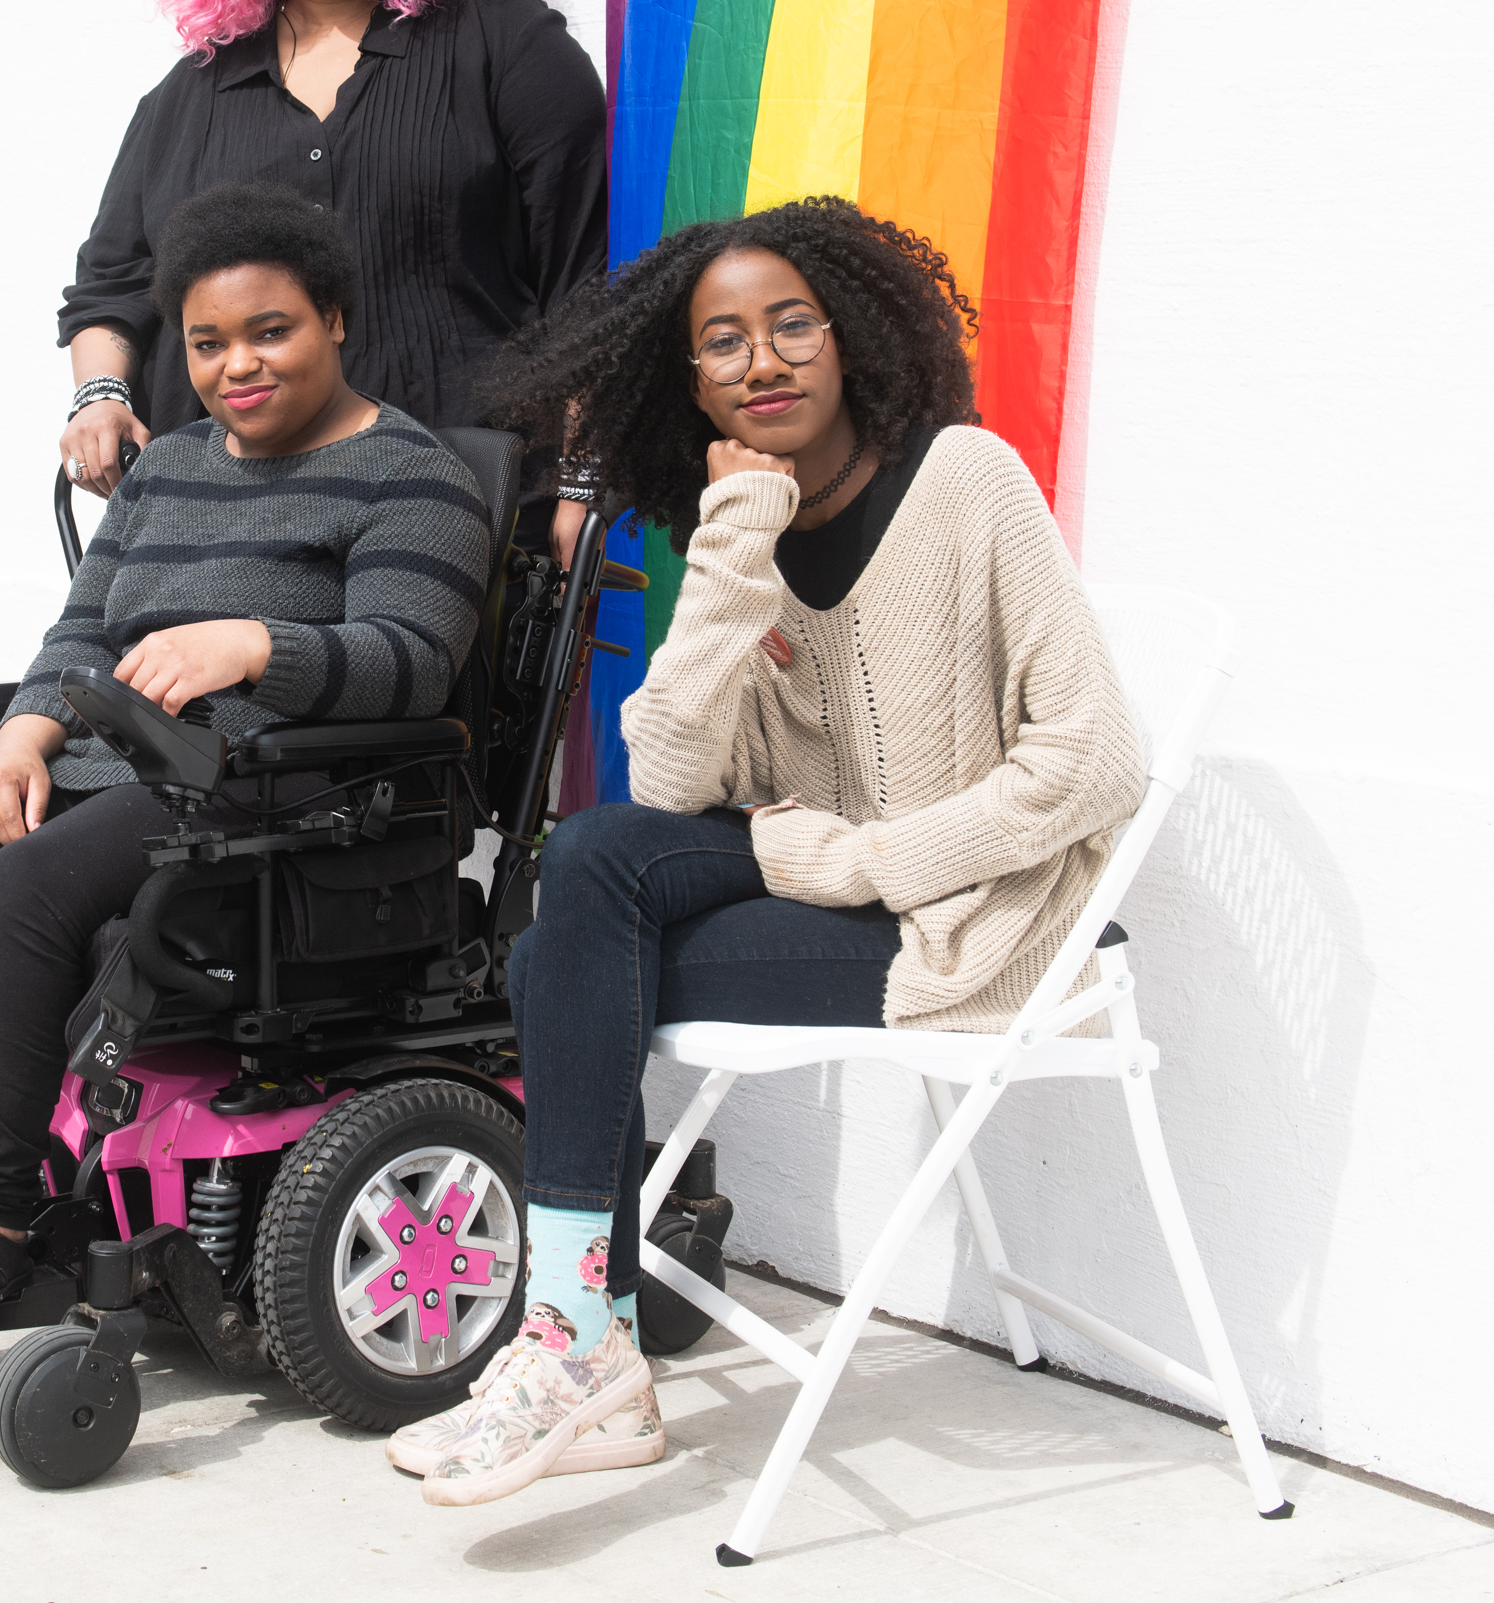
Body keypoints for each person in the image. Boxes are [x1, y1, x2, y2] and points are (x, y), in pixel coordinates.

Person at [384, 197, 1145, 1505]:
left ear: (849, 333)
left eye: (791, 324)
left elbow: (1094, 764)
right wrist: (735, 544)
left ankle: (577, 1342)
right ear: (689, 379)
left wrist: (862, 863)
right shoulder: (751, 524)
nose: (763, 360)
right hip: (819, 869)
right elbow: (676, 777)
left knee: (559, 967)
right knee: (594, 861)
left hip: (985, 919)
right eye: (723, 340)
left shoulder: (968, 482)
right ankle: (584, 1340)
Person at [0, 184, 493, 1321]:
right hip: (113, 774)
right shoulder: (172, 463)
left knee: (29, 884)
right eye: (209, 343)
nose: (240, 366)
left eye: (270, 330)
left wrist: (253, 644)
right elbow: (84, 627)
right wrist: (20, 742)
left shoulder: (412, 476)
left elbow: (411, 660)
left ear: (334, 316)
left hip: (274, 798)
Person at [58, 0, 604, 565]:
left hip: (457, 505)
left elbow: (583, 275)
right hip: (229, 527)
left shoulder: (497, 34)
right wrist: (98, 395)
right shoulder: (195, 91)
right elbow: (111, 283)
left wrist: (581, 477)